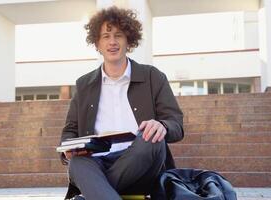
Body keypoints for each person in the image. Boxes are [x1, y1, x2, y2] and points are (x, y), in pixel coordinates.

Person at [60, 6, 184, 200]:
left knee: (151, 139)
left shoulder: (153, 76)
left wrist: (162, 126)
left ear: (129, 41)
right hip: (97, 162)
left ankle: (94, 192)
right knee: (77, 163)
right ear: (97, 43)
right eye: (105, 36)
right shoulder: (84, 85)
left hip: (142, 163)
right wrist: (68, 149)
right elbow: (69, 132)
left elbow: (176, 124)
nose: (112, 42)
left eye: (118, 35)